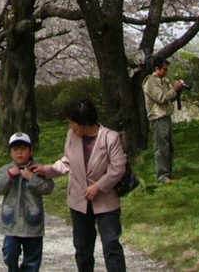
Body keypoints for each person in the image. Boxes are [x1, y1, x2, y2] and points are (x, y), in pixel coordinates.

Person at [36, 98, 128, 272]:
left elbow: (118, 168)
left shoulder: (110, 138)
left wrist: (98, 187)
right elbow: (67, 161)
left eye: (73, 123)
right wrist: (47, 170)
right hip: (79, 199)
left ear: (84, 122)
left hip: (106, 200)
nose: (71, 127)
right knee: (82, 247)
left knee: (111, 244)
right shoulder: (72, 136)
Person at [0, 132, 55, 272]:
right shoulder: (5, 169)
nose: (19, 153)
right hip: (12, 223)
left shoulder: (38, 169)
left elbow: (48, 188)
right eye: (15, 150)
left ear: (30, 151)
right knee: (9, 252)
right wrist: (9, 176)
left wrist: (32, 177)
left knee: (32, 260)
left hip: (32, 224)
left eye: (23, 149)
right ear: (11, 153)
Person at [142, 58, 185, 183]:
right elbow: (161, 98)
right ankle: (162, 176)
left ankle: (168, 173)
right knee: (161, 147)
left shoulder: (164, 81)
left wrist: (178, 90)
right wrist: (174, 89)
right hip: (158, 117)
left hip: (166, 115)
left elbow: (170, 97)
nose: (166, 72)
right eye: (164, 69)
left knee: (169, 147)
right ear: (157, 69)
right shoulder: (151, 81)